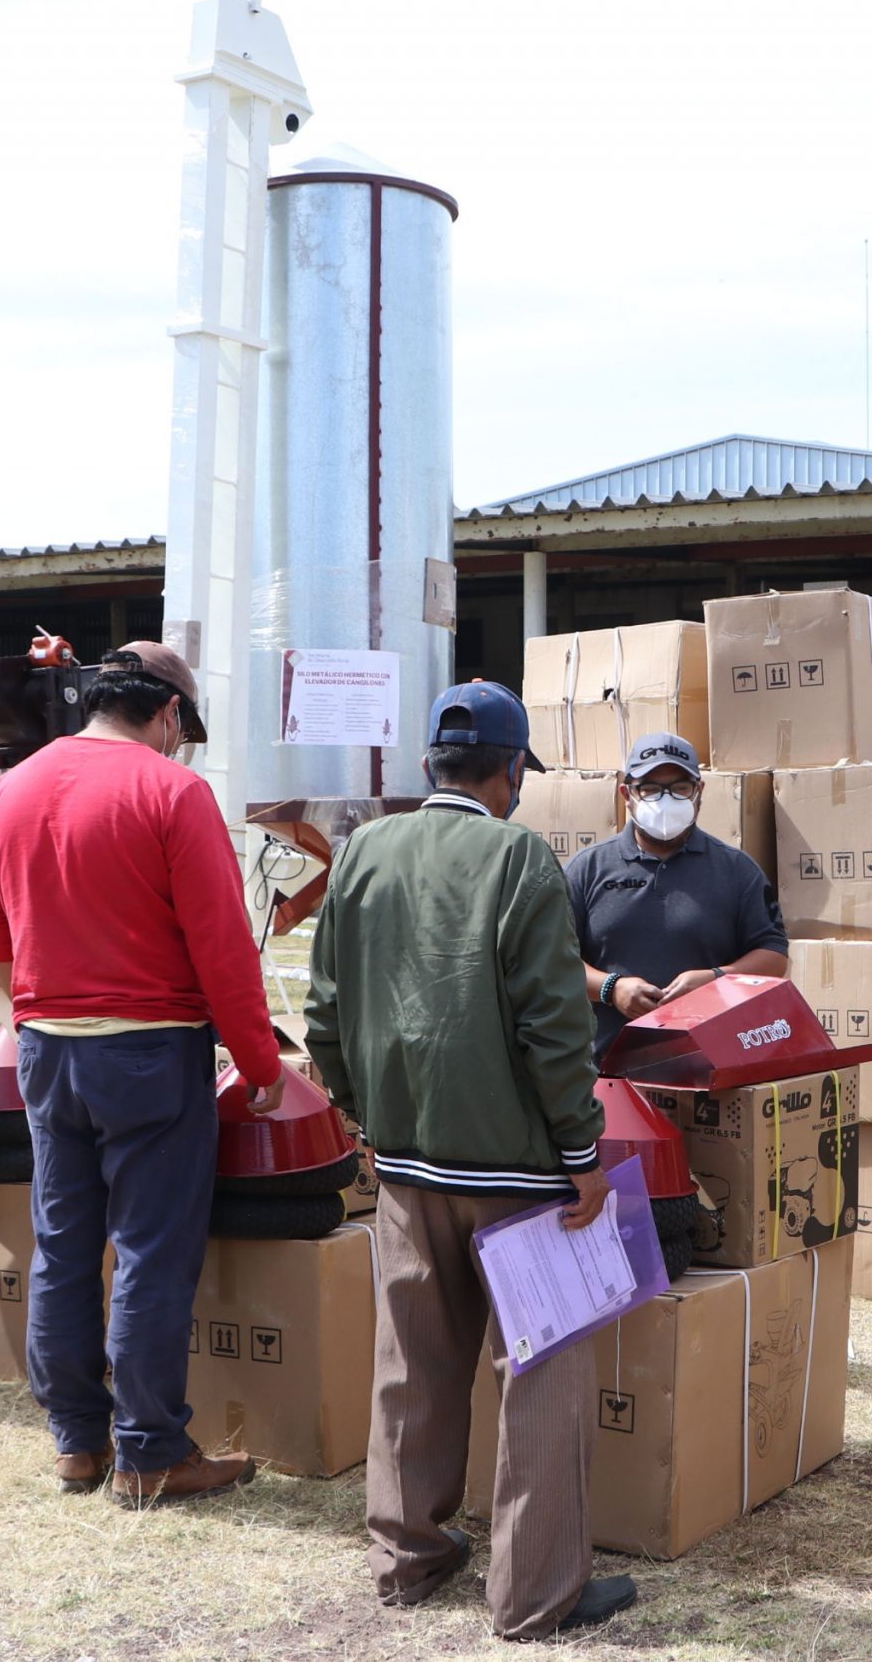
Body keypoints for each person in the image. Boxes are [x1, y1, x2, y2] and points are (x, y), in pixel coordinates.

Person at [304, 681, 635, 1642]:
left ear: (427, 769)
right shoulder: (520, 859)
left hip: (407, 1163)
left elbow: (324, 1016)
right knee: (540, 1374)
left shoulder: (363, 851)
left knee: (412, 1363)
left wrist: (369, 1115)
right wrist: (582, 1155)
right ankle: (535, 1594)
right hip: (520, 1177)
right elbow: (553, 1026)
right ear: (510, 772)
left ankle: (407, 1557)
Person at [0, 641, 284, 1509]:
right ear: (170, 714)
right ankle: (149, 1448)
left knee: (63, 1243)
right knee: (150, 1249)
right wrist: (260, 1063)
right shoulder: (173, 789)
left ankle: (77, 1439)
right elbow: (222, 946)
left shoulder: (11, 787)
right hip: (150, 1047)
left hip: (45, 1042)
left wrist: (27, 1012)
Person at [568, 732, 788, 1060]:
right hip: (609, 1071)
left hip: (715, 1066)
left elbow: (773, 957)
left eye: (679, 788)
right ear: (627, 794)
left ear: (699, 791)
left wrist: (716, 981)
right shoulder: (587, 869)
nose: (666, 801)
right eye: (652, 789)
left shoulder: (737, 870)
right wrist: (611, 989)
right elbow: (552, 960)